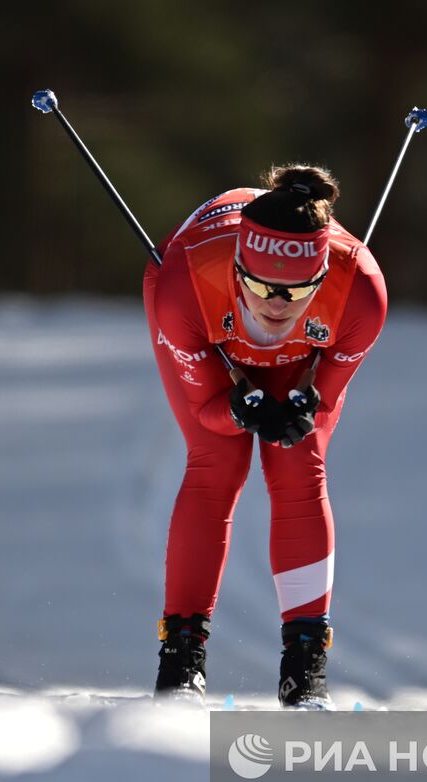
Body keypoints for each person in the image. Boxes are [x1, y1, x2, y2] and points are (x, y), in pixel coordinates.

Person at [141, 164, 388, 709]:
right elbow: (208, 411)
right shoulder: (185, 284)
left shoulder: (361, 293)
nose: (276, 305)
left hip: (299, 353)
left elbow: (319, 400)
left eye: (297, 291)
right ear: (236, 267)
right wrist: (238, 410)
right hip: (208, 326)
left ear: (322, 277)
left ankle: (305, 666)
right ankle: (181, 660)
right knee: (215, 463)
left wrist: (303, 407)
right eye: (259, 285)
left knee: (300, 465)